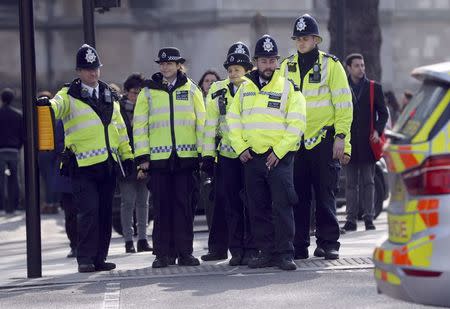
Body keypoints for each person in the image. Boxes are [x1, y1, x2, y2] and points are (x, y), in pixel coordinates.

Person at [36, 44, 134, 273]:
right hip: (82, 166)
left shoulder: (109, 93)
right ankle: (85, 259)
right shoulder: (68, 94)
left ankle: (100, 257)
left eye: (95, 68)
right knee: (88, 213)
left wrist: (127, 156)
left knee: (104, 214)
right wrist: (46, 105)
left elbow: (120, 128)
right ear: (78, 71)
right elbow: (56, 107)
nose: (93, 73)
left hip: (107, 165)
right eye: (87, 69)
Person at [227, 35, 306, 271]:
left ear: (278, 62)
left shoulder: (289, 88)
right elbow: (232, 120)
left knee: (282, 206)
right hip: (252, 158)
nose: (269, 65)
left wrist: (279, 151)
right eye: (264, 61)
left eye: (272, 60)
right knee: (257, 207)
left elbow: (297, 123)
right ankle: (265, 251)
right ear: (256, 62)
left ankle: (284, 253)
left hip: (279, 159)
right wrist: (240, 148)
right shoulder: (244, 89)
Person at [280, 14, 353, 260]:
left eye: (306, 38)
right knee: (297, 196)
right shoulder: (286, 66)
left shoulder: (331, 65)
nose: (302, 42)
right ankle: (299, 245)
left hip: (323, 138)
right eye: (298, 38)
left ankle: (328, 243)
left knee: (325, 194)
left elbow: (344, 104)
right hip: (295, 141)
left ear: (315, 39)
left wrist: (342, 138)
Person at [133, 47, 205, 268]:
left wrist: (204, 154)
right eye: (162, 64)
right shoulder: (148, 91)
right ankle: (162, 254)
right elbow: (140, 125)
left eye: (170, 63)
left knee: (184, 207)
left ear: (178, 65)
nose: (165, 67)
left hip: (186, 158)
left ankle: (185, 253)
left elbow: (201, 124)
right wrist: (143, 157)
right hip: (159, 159)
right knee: (162, 208)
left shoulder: (192, 89)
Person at [201, 42, 256, 265]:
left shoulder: (255, 88)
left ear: (247, 69)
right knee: (231, 206)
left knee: (253, 204)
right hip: (227, 157)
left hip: (252, 155)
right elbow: (210, 125)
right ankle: (237, 251)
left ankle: (252, 249)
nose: (234, 72)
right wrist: (206, 156)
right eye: (230, 69)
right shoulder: (217, 90)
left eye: (238, 68)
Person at [341, 53, 388, 232]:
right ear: (349, 68)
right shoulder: (342, 87)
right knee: (351, 183)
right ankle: (351, 219)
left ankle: (369, 218)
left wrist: (378, 130)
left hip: (368, 142)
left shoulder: (374, 87)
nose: (361, 68)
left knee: (368, 181)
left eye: (362, 65)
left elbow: (383, 113)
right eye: (357, 65)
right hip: (350, 143)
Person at [118, 73, 152, 253]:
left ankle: (143, 239)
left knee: (143, 203)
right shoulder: (119, 109)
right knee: (128, 202)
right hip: (126, 162)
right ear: (126, 92)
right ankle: (128, 240)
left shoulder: (147, 108)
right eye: (134, 93)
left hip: (144, 160)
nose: (137, 96)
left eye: (140, 93)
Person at [52, 120, 77, 257]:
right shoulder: (60, 122)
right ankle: (74, 245)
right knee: (71, 214)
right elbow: (57, 145)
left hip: (84, 172)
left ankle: (82, 245)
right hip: (66, 173)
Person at [0, 88, 23, 215]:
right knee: (14, 179)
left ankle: (1, 207)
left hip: (0, 150)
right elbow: (22, 134)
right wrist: (18, 147)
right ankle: (14, 207)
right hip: (14, 150)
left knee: (0, 179)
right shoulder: (18, 114)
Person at [37, 91, 60, 215]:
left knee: (46, 179)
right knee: (53, 177)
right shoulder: (55, 114)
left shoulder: (36, 115)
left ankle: (49, 203)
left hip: (43, 151)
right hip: (54, 150)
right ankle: (54, 203)